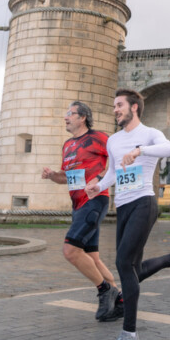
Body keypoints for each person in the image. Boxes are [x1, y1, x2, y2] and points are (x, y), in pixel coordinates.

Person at [86, 88, 170, 340]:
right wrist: (98, 186)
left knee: (123, 263)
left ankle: (130, 336)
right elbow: (113, 172)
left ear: (134, 107)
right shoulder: (113, 140)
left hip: (144, 203)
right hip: (123, 206)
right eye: (114, 106)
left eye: (119, 105)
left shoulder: (149, 134)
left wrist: (139, 151)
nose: (115, 110)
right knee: (132, 269)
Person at [41, 101, 120, 322]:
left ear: (82, 117)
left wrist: (100, 178)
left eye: (70, 113)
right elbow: (66, 178)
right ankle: (119, 300)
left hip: (94, 201)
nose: (65, 117)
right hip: (77, 206)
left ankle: (104, 290)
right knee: (92, 258)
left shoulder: (98, 138)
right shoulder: (67, 145)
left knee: (70, 250)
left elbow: (118, 160)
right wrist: (52, 175)